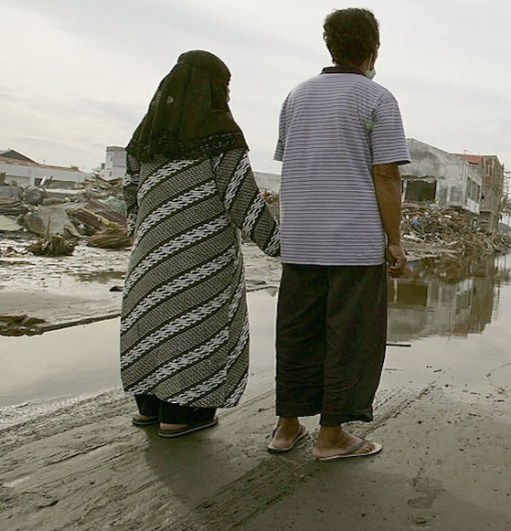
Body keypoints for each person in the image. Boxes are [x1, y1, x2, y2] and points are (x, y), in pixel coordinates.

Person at [269, 7, 409, 460]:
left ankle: (286, 427)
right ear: (374, 50)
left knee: (297, 334)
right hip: (353, 243)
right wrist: (395, 241)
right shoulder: (377, 99)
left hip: (302, 241)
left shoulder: (296, 97)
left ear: (329, 46)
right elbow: (385, 175)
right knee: (350, 339)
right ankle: (331, 437)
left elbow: (293, 161)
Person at [120, 50, 281, 438]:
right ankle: (180, 415)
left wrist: (145, 236)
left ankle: (149, 408)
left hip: (149, 256)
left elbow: (130, 196)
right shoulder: (221, 137)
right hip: (203, 259)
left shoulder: (144, 139)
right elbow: (243, 202)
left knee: (153, 322)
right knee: (194, 328)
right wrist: (280, 247)